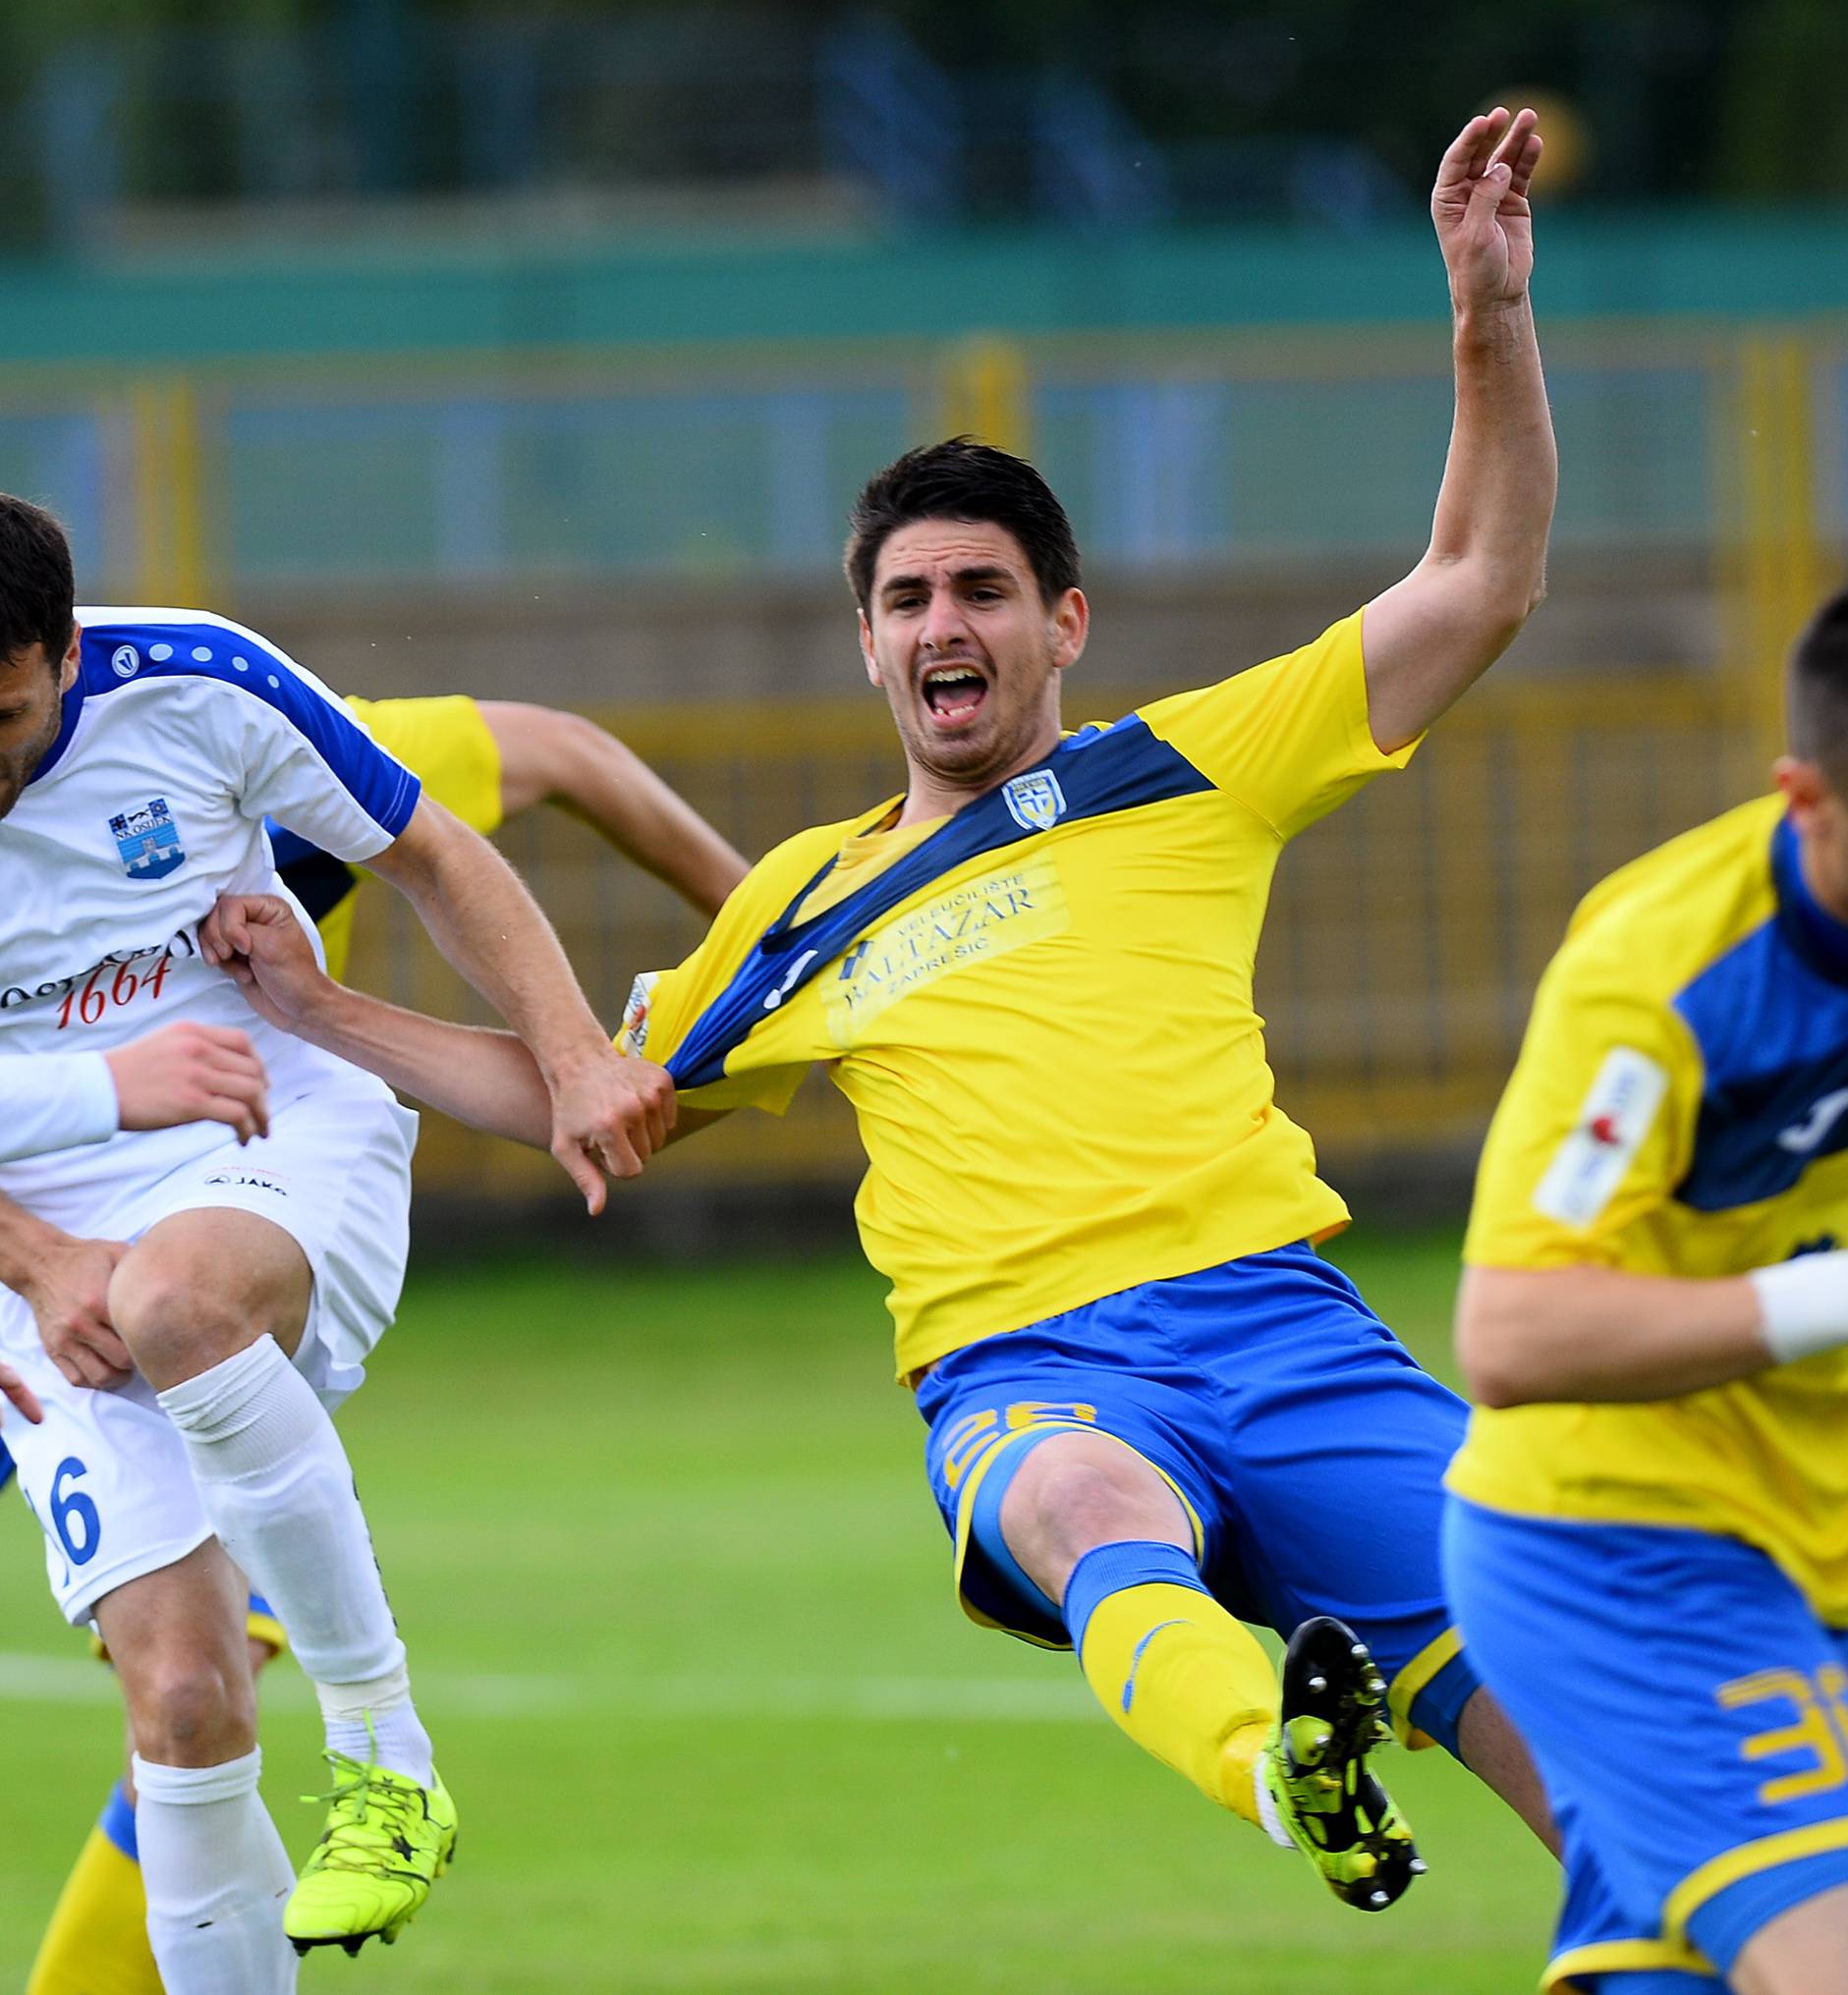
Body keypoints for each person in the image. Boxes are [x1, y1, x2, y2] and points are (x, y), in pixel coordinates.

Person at [206, 102, 1558, 1913]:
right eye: (909, 594)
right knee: (1089, 1510)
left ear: (1064, 620)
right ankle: (1283, 1763)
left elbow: (1477, 583)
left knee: (1602, 1739)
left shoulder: (1188, 769)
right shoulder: (803, 903)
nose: (947, 622)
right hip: (1027, 1369)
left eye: (985, 589)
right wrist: (318, 1004)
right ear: (866, 641)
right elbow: (585, 1098)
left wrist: (1486, 320)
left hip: (1287, 1327)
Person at [0, 505, 673, 1991]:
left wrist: (571, 1055)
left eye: (1, 715)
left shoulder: (203, 682)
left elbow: (438, 842)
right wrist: (39, 1260)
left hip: (273, 1144)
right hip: (32, 1249)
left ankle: (385, 1753)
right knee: (182, 1699)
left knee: (172, 1295)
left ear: (63, 656)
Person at [1443, 573, 1848, 1995]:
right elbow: (1509, 1329)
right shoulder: (1667, 975)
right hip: (1623, 1550)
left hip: (1805, 1547)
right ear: (1809, 799)